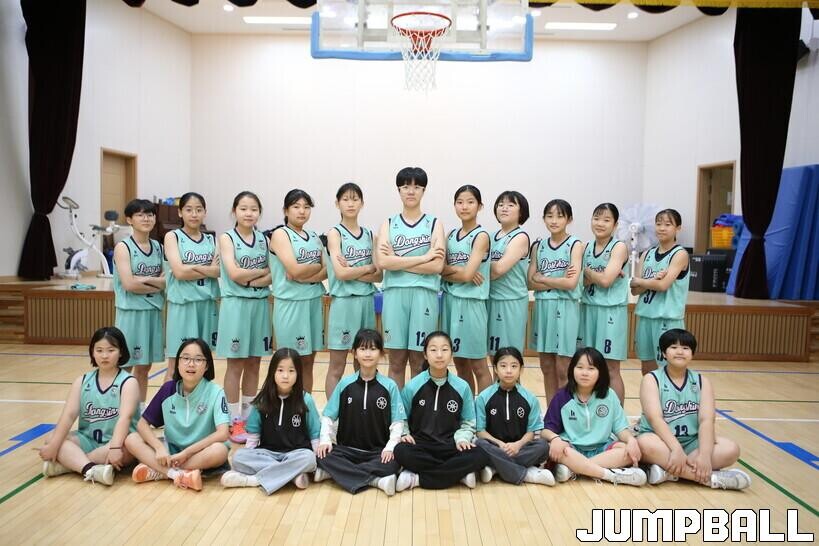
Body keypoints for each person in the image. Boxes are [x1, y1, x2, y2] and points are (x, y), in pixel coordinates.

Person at [637, 329, 751, 490]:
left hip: (692, 443)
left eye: (685, 348)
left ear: (692, 354)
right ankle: (710, 478)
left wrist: (704, 456)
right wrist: (676, 449)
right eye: (673, 347)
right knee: (644, 443)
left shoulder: (702, 381)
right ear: (663, 353)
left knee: (731, 449)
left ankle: (669, 472)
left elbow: (706, 421)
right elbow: (655, 419)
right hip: (661, 441)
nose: (680, 352)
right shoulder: (652, 379)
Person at [125, 338, 230, 491]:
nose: (191, 364)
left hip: (200, 452)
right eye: (186, 358)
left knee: (219, 451)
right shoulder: (168, 389)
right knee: (131, 439)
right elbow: (142, 424)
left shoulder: (215, 392)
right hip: (172, 451)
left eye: (198, 359)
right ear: (178, 363)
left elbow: (223, 433)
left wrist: (187, 453)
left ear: (207, 365)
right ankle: (176, 474)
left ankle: (161, 471)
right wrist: (159, 447)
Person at [39, 326, 139, 485]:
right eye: (99, 350)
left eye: (111, 350)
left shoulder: (128, 382)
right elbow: (69, 415)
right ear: (92, 352)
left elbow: (124, 418)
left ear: (121, 352)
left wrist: (114, 448)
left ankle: (70, 465)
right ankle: (91, 469)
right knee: (52, 438)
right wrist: (53, 446)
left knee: (131, 447)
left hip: (116, 442)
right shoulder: (82, 381)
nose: (104, 355)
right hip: (87, 440)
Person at [392, 331, 490, 491]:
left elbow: (468, 422)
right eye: (433, 350)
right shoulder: (413, 386)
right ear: (425, 354)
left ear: (451, 354)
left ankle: (418, 478)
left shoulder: (462, 387)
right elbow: (402, 417)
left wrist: (462, 439)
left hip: (451, 445)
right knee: (401, 451)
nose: (439, 355)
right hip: (420, 445)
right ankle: (457, 474)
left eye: (444, 349)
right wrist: (404, 433)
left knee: (481, 455)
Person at [377, 167, 445, 387]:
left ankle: (417, 406)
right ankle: (397, 408)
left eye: (417, 186)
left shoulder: (434, 224)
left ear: (424, 190)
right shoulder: (389, 223)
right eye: (406, 186)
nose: (411, 191)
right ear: (399, 190)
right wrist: (424, 258)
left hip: (424, 295)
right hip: (395, 294)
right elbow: (384, 262)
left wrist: (398, 261)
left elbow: (437, 266)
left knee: (419, 360)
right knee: (396, 361)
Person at [315, 329, 405, 496]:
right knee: (321, 455)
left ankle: (335, 474)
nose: (368, 354)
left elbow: (398, 422)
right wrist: (325, 440)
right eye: (363, 349)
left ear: (381, 353)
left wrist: (390, 447)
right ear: (354, 353)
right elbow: (328, 416)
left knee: (396, 460)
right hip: (346, 451)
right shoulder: (345, 384)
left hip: (377, 453)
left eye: (373, 349)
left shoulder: (390, 386)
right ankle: (375, 480)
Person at [221, 348, 321, 494]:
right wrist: (249, 455)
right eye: (280, 370)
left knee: (309, 459)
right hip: (267, 454)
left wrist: (317, 457)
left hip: (296, 453)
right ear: (272, 372)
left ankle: (253, 480)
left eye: (291, 371)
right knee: (238, 457)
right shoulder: (262, 401)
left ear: (298, 374)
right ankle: (291, 476)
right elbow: (253, 436)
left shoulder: (306, 400)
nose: (285, 376)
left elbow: (314, 434)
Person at [541, 347, 646, 486]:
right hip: (572, 449)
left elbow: (621, 429)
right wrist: (555, 439)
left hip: (602, 448)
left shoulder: (609, 395)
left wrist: (631, 440)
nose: (584, 373)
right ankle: (610, 475)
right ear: (572, 370)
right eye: (580, 367)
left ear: (600, 372)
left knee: (626, 451)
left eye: (591, 369)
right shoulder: (562, 396)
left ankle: (575, 469)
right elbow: (546, 430)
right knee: (557, 449)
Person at [216, 191, 272, 443]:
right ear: (234, 211)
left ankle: (249, 417)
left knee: (254, 363)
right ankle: (233, 420)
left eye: (254, 209)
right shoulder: (227, 238)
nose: (249, 213)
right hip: (236, 305)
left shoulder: (264, 240)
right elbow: (234, 273)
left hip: (259, 305)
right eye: (243, 208)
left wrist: (249, 278)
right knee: (235, 364)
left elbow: (273, 273)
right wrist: (258, 274)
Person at [324, 183, 381, 398]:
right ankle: (332, 413)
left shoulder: (370, 235)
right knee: (337, 365)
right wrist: (366, 268)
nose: (350, 203)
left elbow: (379, 275)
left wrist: (353, 270)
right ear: (337, 203)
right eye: (346, 199)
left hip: (366, 301)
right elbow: (340, 273)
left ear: (362, 203)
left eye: (355, 199)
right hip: (343, 302)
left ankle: (361, 407)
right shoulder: (334, 234)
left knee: (365, 363)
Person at [269, 189, 327, 393]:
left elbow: (326, 270)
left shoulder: (314, 236)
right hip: (289, 303)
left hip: (313, 301)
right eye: (296, 206)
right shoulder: (280, 234)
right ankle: (285, 406)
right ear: (286, 210)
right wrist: (311, 268)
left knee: (309, 360)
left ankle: (305, 404)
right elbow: (294, 269)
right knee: (289, 362)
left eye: (306, 207)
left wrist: (303, 274)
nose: (302, 211)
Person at [528, 199, 583, 402]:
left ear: (569, 219)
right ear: (543, 219)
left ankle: (567, 411)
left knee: (563, 367)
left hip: (566, 308)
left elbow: (571, 283)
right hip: (543, 307)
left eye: (560, 216)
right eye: (550, 216)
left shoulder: (575, 245)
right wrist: (557, 281)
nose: (554, 220)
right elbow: (530, 282)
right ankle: (552, 412)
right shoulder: (539, 246)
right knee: (546, 365)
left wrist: (543, 279)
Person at [163, 192, 220, 383]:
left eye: (198, 210)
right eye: (189, 210)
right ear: (180, 212)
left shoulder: (211, 240)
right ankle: (168, 402)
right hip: (183, 305)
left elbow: (218, 271)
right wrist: (207, 269)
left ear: (205, 212)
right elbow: (179, 272)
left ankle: (200, 402)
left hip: (207, 304)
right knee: (176, 364)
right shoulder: (173, 237)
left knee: (204, 363)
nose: (194, 214)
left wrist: (191, 268)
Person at [475, 347, 553, 486]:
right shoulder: (483, 397)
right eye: (503, 366)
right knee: (480, 445)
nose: (509, 371)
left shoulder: (530, 398)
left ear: (521, 369)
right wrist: (500, 444)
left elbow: (531, 432)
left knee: (543, 446)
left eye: (514, 366)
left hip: (520, 448)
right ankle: (526, 474)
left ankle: (496, 467)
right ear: (496, 369)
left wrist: (518, 445)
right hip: (494, 446)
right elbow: (480, 431)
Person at [113, 198, 165, 406]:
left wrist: (143, 280)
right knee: (124, 366)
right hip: (130, 313)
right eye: (140, 215)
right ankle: (120, 411)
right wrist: (155, 283)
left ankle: (139, 410)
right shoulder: (123, 247)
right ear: (129, 220)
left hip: (153, 312)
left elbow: (166, 282)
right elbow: (129, 284)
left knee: (144, 367)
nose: (146, 219)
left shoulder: (158, 247)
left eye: (150, 214)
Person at [441, 185, 491, 393]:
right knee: (460, 363)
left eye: (470, 202)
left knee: (478, 364)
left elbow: (467, 275)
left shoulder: (481, 236)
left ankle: (485, 409)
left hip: (473, 304)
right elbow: (440, 270)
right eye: (460, 202)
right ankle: (469, 408)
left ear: (480, 206)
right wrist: (460, 270)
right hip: (450, 301)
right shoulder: (451, 235)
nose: (464, 206)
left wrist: (458, 273)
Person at [580, 203, 628, 403]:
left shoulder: (619, 247)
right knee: (588, 364)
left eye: (606, 220)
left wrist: (587, 271)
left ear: (615, 225)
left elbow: (606, 281)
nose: (600, 223)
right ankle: (593, 410)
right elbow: (579, 281)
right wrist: (597, 275)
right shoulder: (585, 247)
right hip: (588, 308)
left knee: (610, 368)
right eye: (596, 218)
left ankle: (617, 415)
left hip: (611, 312)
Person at [631, 209, 690, 374]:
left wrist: (644, 281)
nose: (662, 228)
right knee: (646, 367)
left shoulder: (680, 254)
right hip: (645, 316)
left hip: (668, 319)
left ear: (678, 228)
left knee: (669, 368)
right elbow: (635, 290)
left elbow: (663, 285)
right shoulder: (647, 254)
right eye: (658, 224)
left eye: (668, 224)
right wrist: (652, 281)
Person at [487, 191, 531, 355]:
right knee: (492, 355)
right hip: (490, 298)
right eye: (501, 205)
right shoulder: (490, 236)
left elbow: (498, 270)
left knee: (509, 357)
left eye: (510, 205)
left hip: (511, 301)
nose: (504, 208)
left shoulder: (520, 237)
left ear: (521, 211)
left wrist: (476, 266)